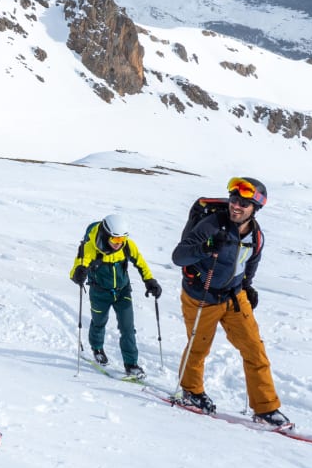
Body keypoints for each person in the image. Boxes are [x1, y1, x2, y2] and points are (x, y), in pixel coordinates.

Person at [172, 176, 290, 427]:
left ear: (255, 209)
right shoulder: (211, 224)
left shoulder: (256, 236)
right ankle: (191, 391)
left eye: (244, 204)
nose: (236, 206)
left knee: (255, 350)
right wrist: (206, 248)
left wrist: (247, 286)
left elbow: (250, 262)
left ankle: (266, 408)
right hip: (202, 296)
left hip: (235, 296)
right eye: (234, 200)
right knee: (199, 347)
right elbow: (179, 256)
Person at [70, 212, 162, 378]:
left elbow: (140, 262)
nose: (118, 244)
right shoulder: (90, 247)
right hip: (99, 293)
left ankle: (131, 364)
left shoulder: (127, 245)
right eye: (115, 240)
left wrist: (150, 281)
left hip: (122, 291)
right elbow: (78, 266)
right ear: (106, 235)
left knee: (128, 328)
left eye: (121, 240)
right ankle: (97, 348)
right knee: (99, 322)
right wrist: (79, 273)